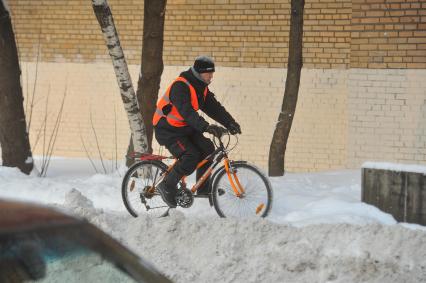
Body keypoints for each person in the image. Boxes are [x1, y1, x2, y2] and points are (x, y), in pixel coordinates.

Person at [153, 55, 241, 207]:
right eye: (209, 73)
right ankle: (166, 186)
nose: (211, 76)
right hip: (167, 129)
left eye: (212, 73)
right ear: (200, 73)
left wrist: (230, 123)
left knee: (208, 149)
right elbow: (187, 112)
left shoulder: (201, 89)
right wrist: (206, 127)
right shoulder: (180, 86)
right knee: (191, 155)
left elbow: (214, 108)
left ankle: (203, 188)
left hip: (184, 128)